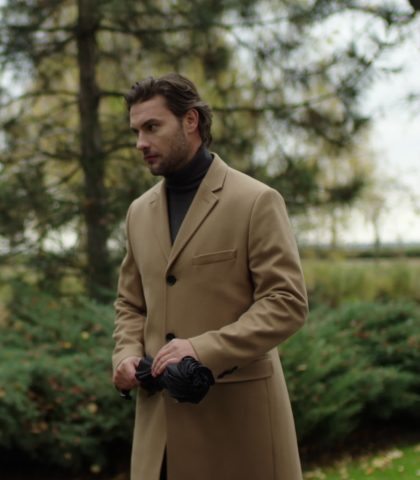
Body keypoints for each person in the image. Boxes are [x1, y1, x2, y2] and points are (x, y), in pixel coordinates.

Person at [111, 73, 308, 480]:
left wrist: (204, 350)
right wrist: (126, 353)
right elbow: (131, 302)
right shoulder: (138, 212)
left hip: (239, 432)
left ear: (191, 121)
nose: (140, 143)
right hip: (158, 439)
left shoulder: (256, 201)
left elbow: (286, 303)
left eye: (152, 127)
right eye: (136, 131)